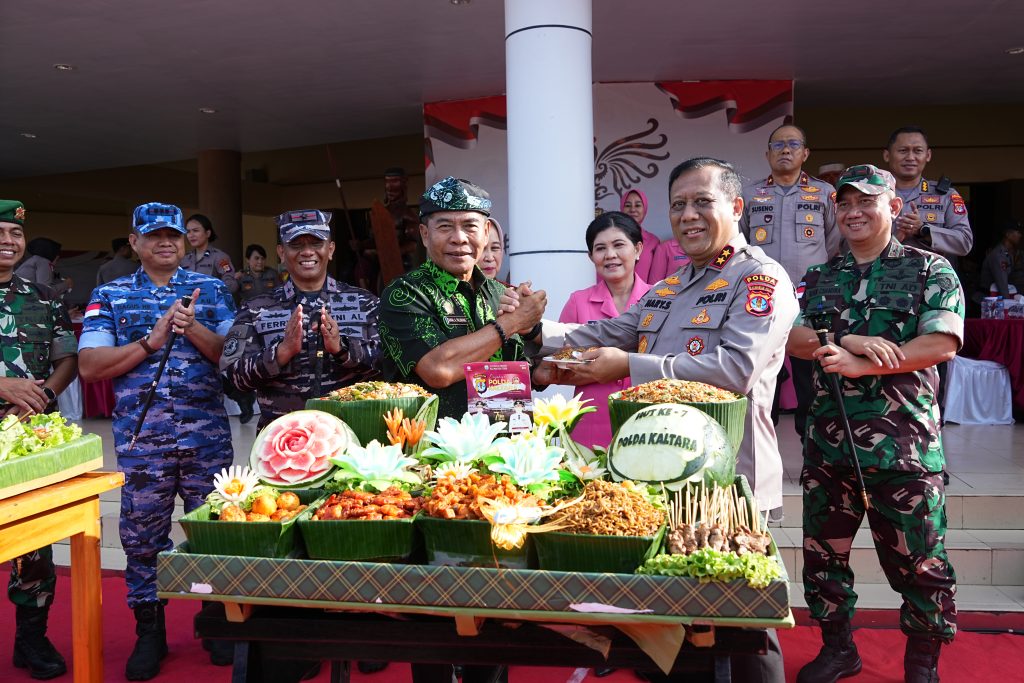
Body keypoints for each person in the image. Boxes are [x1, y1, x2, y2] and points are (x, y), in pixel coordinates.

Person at [523, 157, 794, 682]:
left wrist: (631, 365)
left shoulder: (759, 278)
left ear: (736, 207)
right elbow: (607, 332)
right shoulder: (668, 289)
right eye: (678, 205)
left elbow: (735, 369)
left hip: (727, 481)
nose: (688, 215)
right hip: (658, 476)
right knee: (681, 613)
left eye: (702, 202)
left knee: (742, 625)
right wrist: (533, 329)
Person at [786, 164, 962, 683]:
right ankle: (839, 649)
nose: (854, 211)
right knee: (823, 561)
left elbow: (942, 342)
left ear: (893, 207)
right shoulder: (821, 277)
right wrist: (851, 343)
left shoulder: (930, 269)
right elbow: (795, 341)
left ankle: (922, 663)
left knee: (922, 564)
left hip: (904, 449)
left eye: (866, 201)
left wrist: (865, 363)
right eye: (845, 203)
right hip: (829, 446)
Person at [78, 202, 236, 680]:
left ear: (186, 240)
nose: (165, 242)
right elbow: (90, 367)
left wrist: (194, 329)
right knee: (142, 539)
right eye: (153, 236)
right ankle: (151, 630)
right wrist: (152, 340)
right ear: (135, 242)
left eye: (173, 234)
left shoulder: (210, 289)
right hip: (143, 439)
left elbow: (233, 359)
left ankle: (217, 621)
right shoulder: (110, 294)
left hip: (206, 438)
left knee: (217, 529)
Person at [378, 176, 546, 424]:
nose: (459, 238)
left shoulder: (501, 294)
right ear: (425, 235)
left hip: (503, 446)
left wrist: (544, 371)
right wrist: (513, 323)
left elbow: (513, 371)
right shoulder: (405, 294)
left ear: (486, 232)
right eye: (445, 227)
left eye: (470, 226)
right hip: (432, 451)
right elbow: (439, 369)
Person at [0, 200, 78, 680]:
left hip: (29, 437)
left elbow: (66, 358)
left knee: (36, 541)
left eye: (14, 232)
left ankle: (31, 638)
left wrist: (44, 393)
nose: (7, 241)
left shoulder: (44, 297)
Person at [221, 209, 382, 431]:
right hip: (281, 441)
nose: (307, 252)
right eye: (296, 245)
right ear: (281, 252)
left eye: (316, 243)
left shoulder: (365, 302)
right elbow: (233, 376)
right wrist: (280, 353)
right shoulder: (256, 308)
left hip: (350, 437)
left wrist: (343, 349)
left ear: (331, 249)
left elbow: (388, 366)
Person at [739, 124, 840, 441]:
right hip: (762, 299)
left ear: (805, 153)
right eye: (778, 144)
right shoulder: (751, 194)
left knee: (810, 377)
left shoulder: (824, 193)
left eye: (793, 144)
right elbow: (739, 243)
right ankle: (758, 448)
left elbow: (835, 242)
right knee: (760, 375)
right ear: (767, 153)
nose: (785, 150)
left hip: (810, 298)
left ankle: (812, 449)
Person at [558, 211, 651, 449]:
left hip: (649, 420)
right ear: (591, 257)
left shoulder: (660, 299)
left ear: (638, 249)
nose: (610, 255)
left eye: (619, 245)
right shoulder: (578, 302)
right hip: (590, 423)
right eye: (600, 249)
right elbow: (558, 363)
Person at [883, 126, 973, 265]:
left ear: (928, 155)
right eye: (903, 151)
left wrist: (923, 230)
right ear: (887, 155)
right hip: (881, 277)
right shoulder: (873, 196)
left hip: (931, 281)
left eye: (918, 151)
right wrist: (895, 237)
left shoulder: (946, 196)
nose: (910, 157)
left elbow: (964, 242)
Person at [181, 213, 240, 296]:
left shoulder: (220, 257)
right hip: (187, 306)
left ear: (208, 233)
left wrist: (212, 290)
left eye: (196, 230)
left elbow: (231, 286)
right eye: (188, 232)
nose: (191, 235)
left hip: (210, 306)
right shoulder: (184, 259)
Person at [619, 189, 660, 282]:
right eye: (628, 205)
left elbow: (656, 277)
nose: (633, 209)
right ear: (622, 208)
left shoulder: (653, 241)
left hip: (644, 295)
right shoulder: (612, 238)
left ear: (644, 209)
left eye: (637, 205)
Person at [977, 221, 1022, 300]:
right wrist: (1008, 305)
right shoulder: (998, 255)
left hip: (995, 299)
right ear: (1008, 235)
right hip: (986, 301)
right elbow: (1002, 284)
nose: (1020, 235)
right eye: (1018, 232)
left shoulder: (1008, 253)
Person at [478, 217, 506, 282]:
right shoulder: (453, 290)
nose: (490, 258)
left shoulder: (510, 291)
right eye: (482, 249)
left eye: (495, 248)